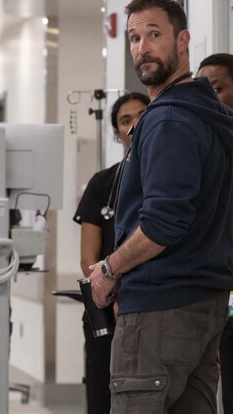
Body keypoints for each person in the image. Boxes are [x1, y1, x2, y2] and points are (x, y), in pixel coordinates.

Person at [87, 0, 233, 413]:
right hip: (203, 303)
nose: (143, 48)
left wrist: (109, 269)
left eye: (154, 35)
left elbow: (162, 224)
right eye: (134, 38)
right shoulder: (205, 113)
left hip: (160, 306)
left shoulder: (168, 120)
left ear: (183, 40)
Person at [73, 91, 148, 414]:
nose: (134, 125)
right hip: (106, 305)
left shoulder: (167, 178)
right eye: (125, 121)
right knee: (104, 397)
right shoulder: (102, 184)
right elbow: (88, 258)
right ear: (117, 133)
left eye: (141, 116)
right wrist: (111, 292)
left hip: (153, 304)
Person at [198, 53, 233, 414]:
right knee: (232, 397)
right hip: (224, 295)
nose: (210, 99)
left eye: (217, 89)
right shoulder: (213, 153)